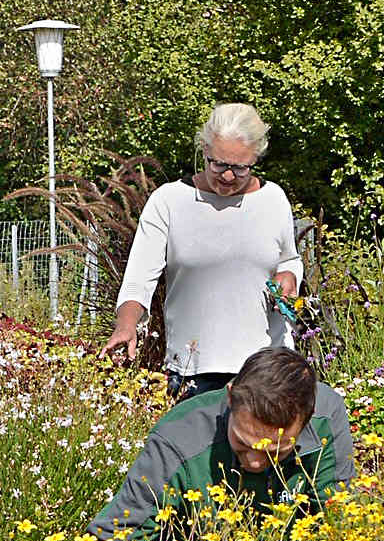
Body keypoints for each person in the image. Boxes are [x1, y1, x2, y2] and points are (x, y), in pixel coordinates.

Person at [72, 347, 353, 541]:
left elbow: (339, 525)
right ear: (230, 397)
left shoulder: (327, 417)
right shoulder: (177, 440)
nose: (255, 462)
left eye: (275, 452)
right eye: (243, 443)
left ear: (306, 420)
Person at [103, 103, 304, 401]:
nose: (227, 177)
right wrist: (126, 325)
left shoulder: (273, 199)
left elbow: (289, 259)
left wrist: (288, 275)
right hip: (192, 372)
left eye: (240, 168)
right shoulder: (169, 201)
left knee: (269, 449)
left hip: (266, 371)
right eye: (218, 164)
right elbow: (138, 280)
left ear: (256, 159)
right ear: (204, 151)